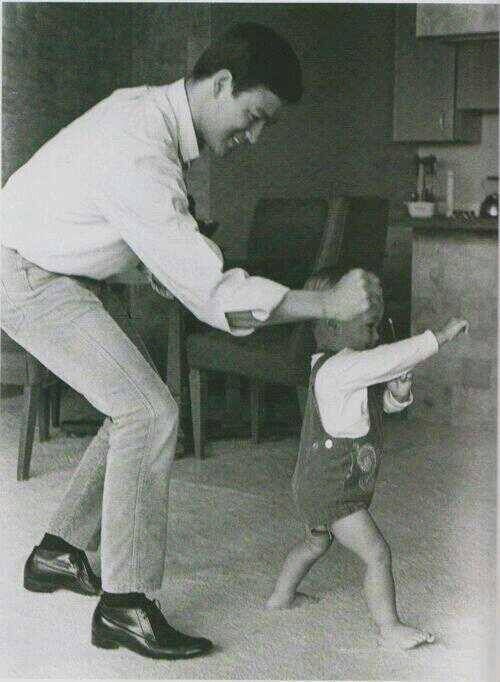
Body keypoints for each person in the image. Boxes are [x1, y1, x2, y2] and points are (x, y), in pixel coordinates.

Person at [0, 22, 381, 660]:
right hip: (25, 273)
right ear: (222, 84)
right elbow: (213, 293)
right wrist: (327, 303)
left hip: (50, 266)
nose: (254, 136)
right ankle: (124, 606)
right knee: (148, 413)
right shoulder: (140, 146)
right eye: (254, 117)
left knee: (138, 407)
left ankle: (58, 553)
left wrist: (159, 258)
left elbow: (106, 212)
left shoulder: (146, 115)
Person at [265, 268, 469, 651]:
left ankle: (281, 596)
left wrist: (399, 393)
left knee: (315, 544)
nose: (376, 337)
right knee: (377, 553)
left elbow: (376, 410)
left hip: (317, 483)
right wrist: (438, 338)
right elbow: (389, 358)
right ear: (334, 325)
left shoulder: (348, 369)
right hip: (332, 489)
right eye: (369, 327)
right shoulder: (338, 369)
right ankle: (389, 627)